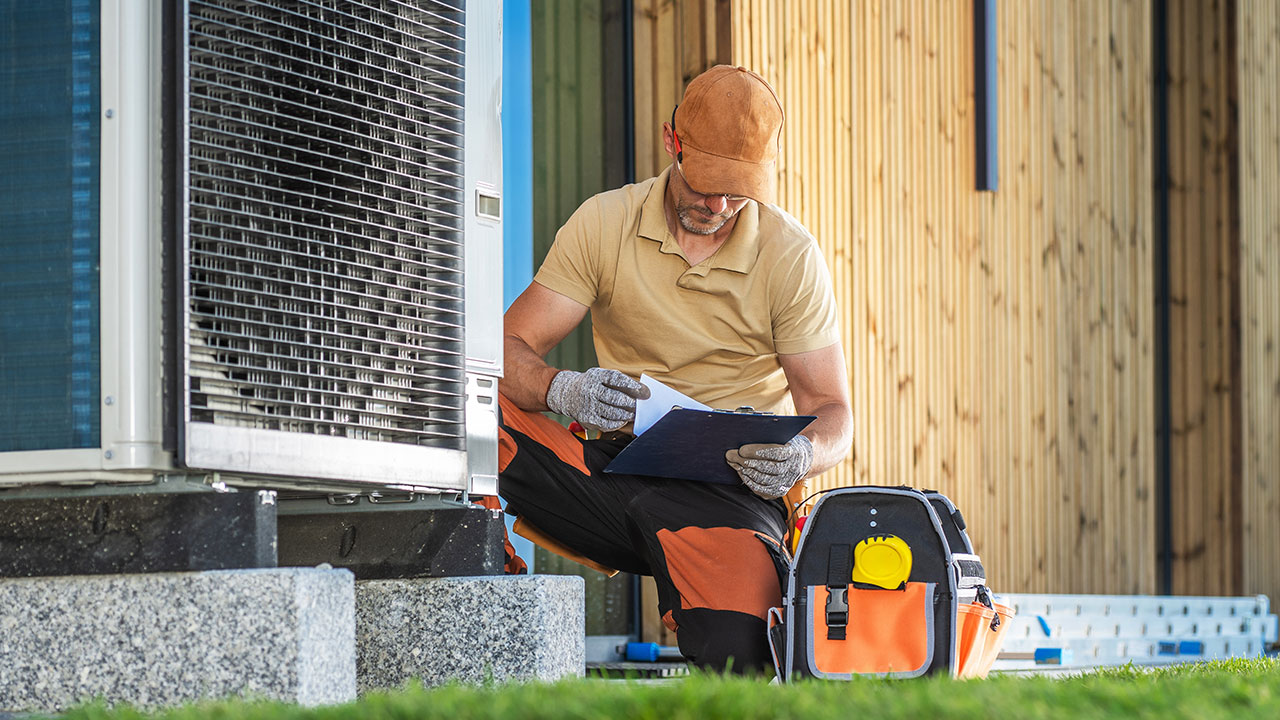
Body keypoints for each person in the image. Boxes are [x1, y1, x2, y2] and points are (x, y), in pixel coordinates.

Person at [494, 65, 852, 674]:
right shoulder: (604, 222)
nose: (717, 206)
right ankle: (480, 574)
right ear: (671, 142)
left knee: (744, 659)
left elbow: (834, 412)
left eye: (737, 193)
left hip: (729, 495)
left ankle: (697, 587)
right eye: (707, 183)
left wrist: (801, 457)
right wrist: (563, 389)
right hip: (605, 474)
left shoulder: (791, 255)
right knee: (465, 398)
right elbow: (504, 348)